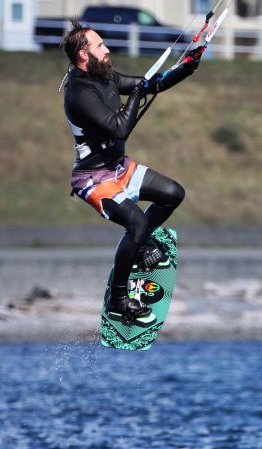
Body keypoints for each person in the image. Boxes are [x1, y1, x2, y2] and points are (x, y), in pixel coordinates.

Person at [62, 20, 201, 324]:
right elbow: (120, 127)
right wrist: (137, 93)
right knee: (136, 222)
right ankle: (119, 300)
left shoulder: (104, 76)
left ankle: (139, 246)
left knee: (172, 194)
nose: (107, 49)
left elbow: (151, 84)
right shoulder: (79, 92)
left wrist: (187, 66)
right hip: (93, 179)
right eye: (100, 45)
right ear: (84, 55)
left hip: (118, 168)